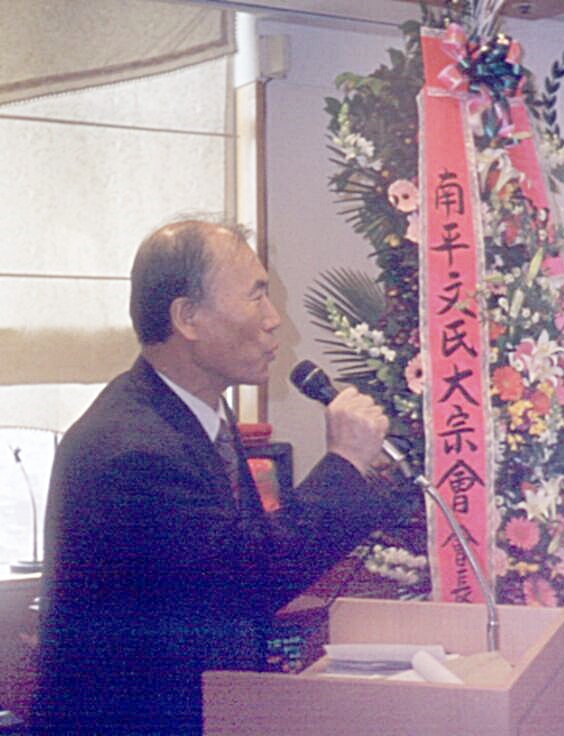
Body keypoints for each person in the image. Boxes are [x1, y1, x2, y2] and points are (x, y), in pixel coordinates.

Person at [30, 219, 411, 735]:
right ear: (188, 318)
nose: (274, 319)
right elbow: (244, 579)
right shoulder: (131, 447)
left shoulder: (199, 413)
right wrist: (343, 461)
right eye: (256, 296)